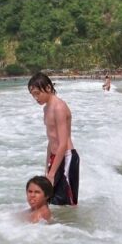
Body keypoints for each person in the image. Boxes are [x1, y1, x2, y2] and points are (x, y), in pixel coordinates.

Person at [28, 72, 78, 206]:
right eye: (33, 95)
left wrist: (51, 174)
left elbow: (62, 143)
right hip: (54, 158)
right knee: (50, 202)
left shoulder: (59, 107)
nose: (35, 98)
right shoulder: (46, 109)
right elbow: (51, 140)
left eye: (38, 93)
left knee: (68, 204)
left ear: (49, 88)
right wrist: (47, 168)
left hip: (66, 157)